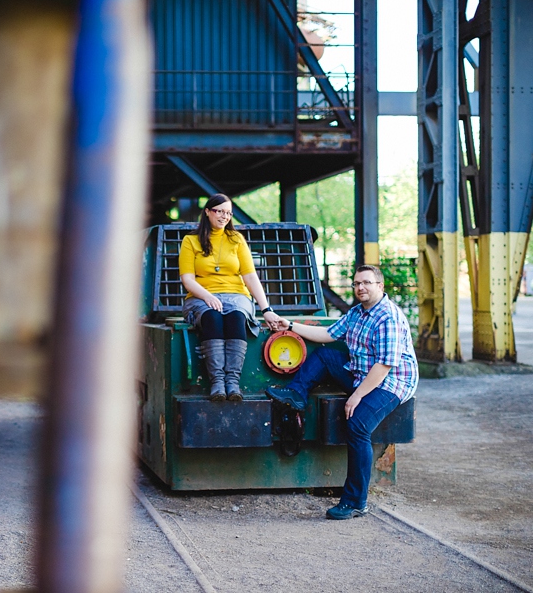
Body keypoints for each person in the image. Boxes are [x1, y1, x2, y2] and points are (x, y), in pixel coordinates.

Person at [266, 264, 418, 520]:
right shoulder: (357, 312)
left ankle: (356, 501)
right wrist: (289, 325)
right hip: (362, 373)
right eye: (357, 283)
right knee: (325, 355)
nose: (360, 287)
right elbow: (327, 334)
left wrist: (357, 396)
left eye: (367, 283)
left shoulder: (388, 317)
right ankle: (296, 396)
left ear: (380, 286)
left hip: (390, 381)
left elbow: (384, 366)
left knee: (357, 425)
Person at [179, 194, 280, 401]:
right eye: (220, 211)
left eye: (228, 213)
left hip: (236, 295)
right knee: (212, 317)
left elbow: (250, 277)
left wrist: (266, 310)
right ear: (207, 212)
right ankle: (217, 382)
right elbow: (188, 280)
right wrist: (207, 297)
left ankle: (232, 382)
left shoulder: (236, 239)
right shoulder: (190, 240)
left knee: (236, 317)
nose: (224, 216)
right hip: (200, 295)